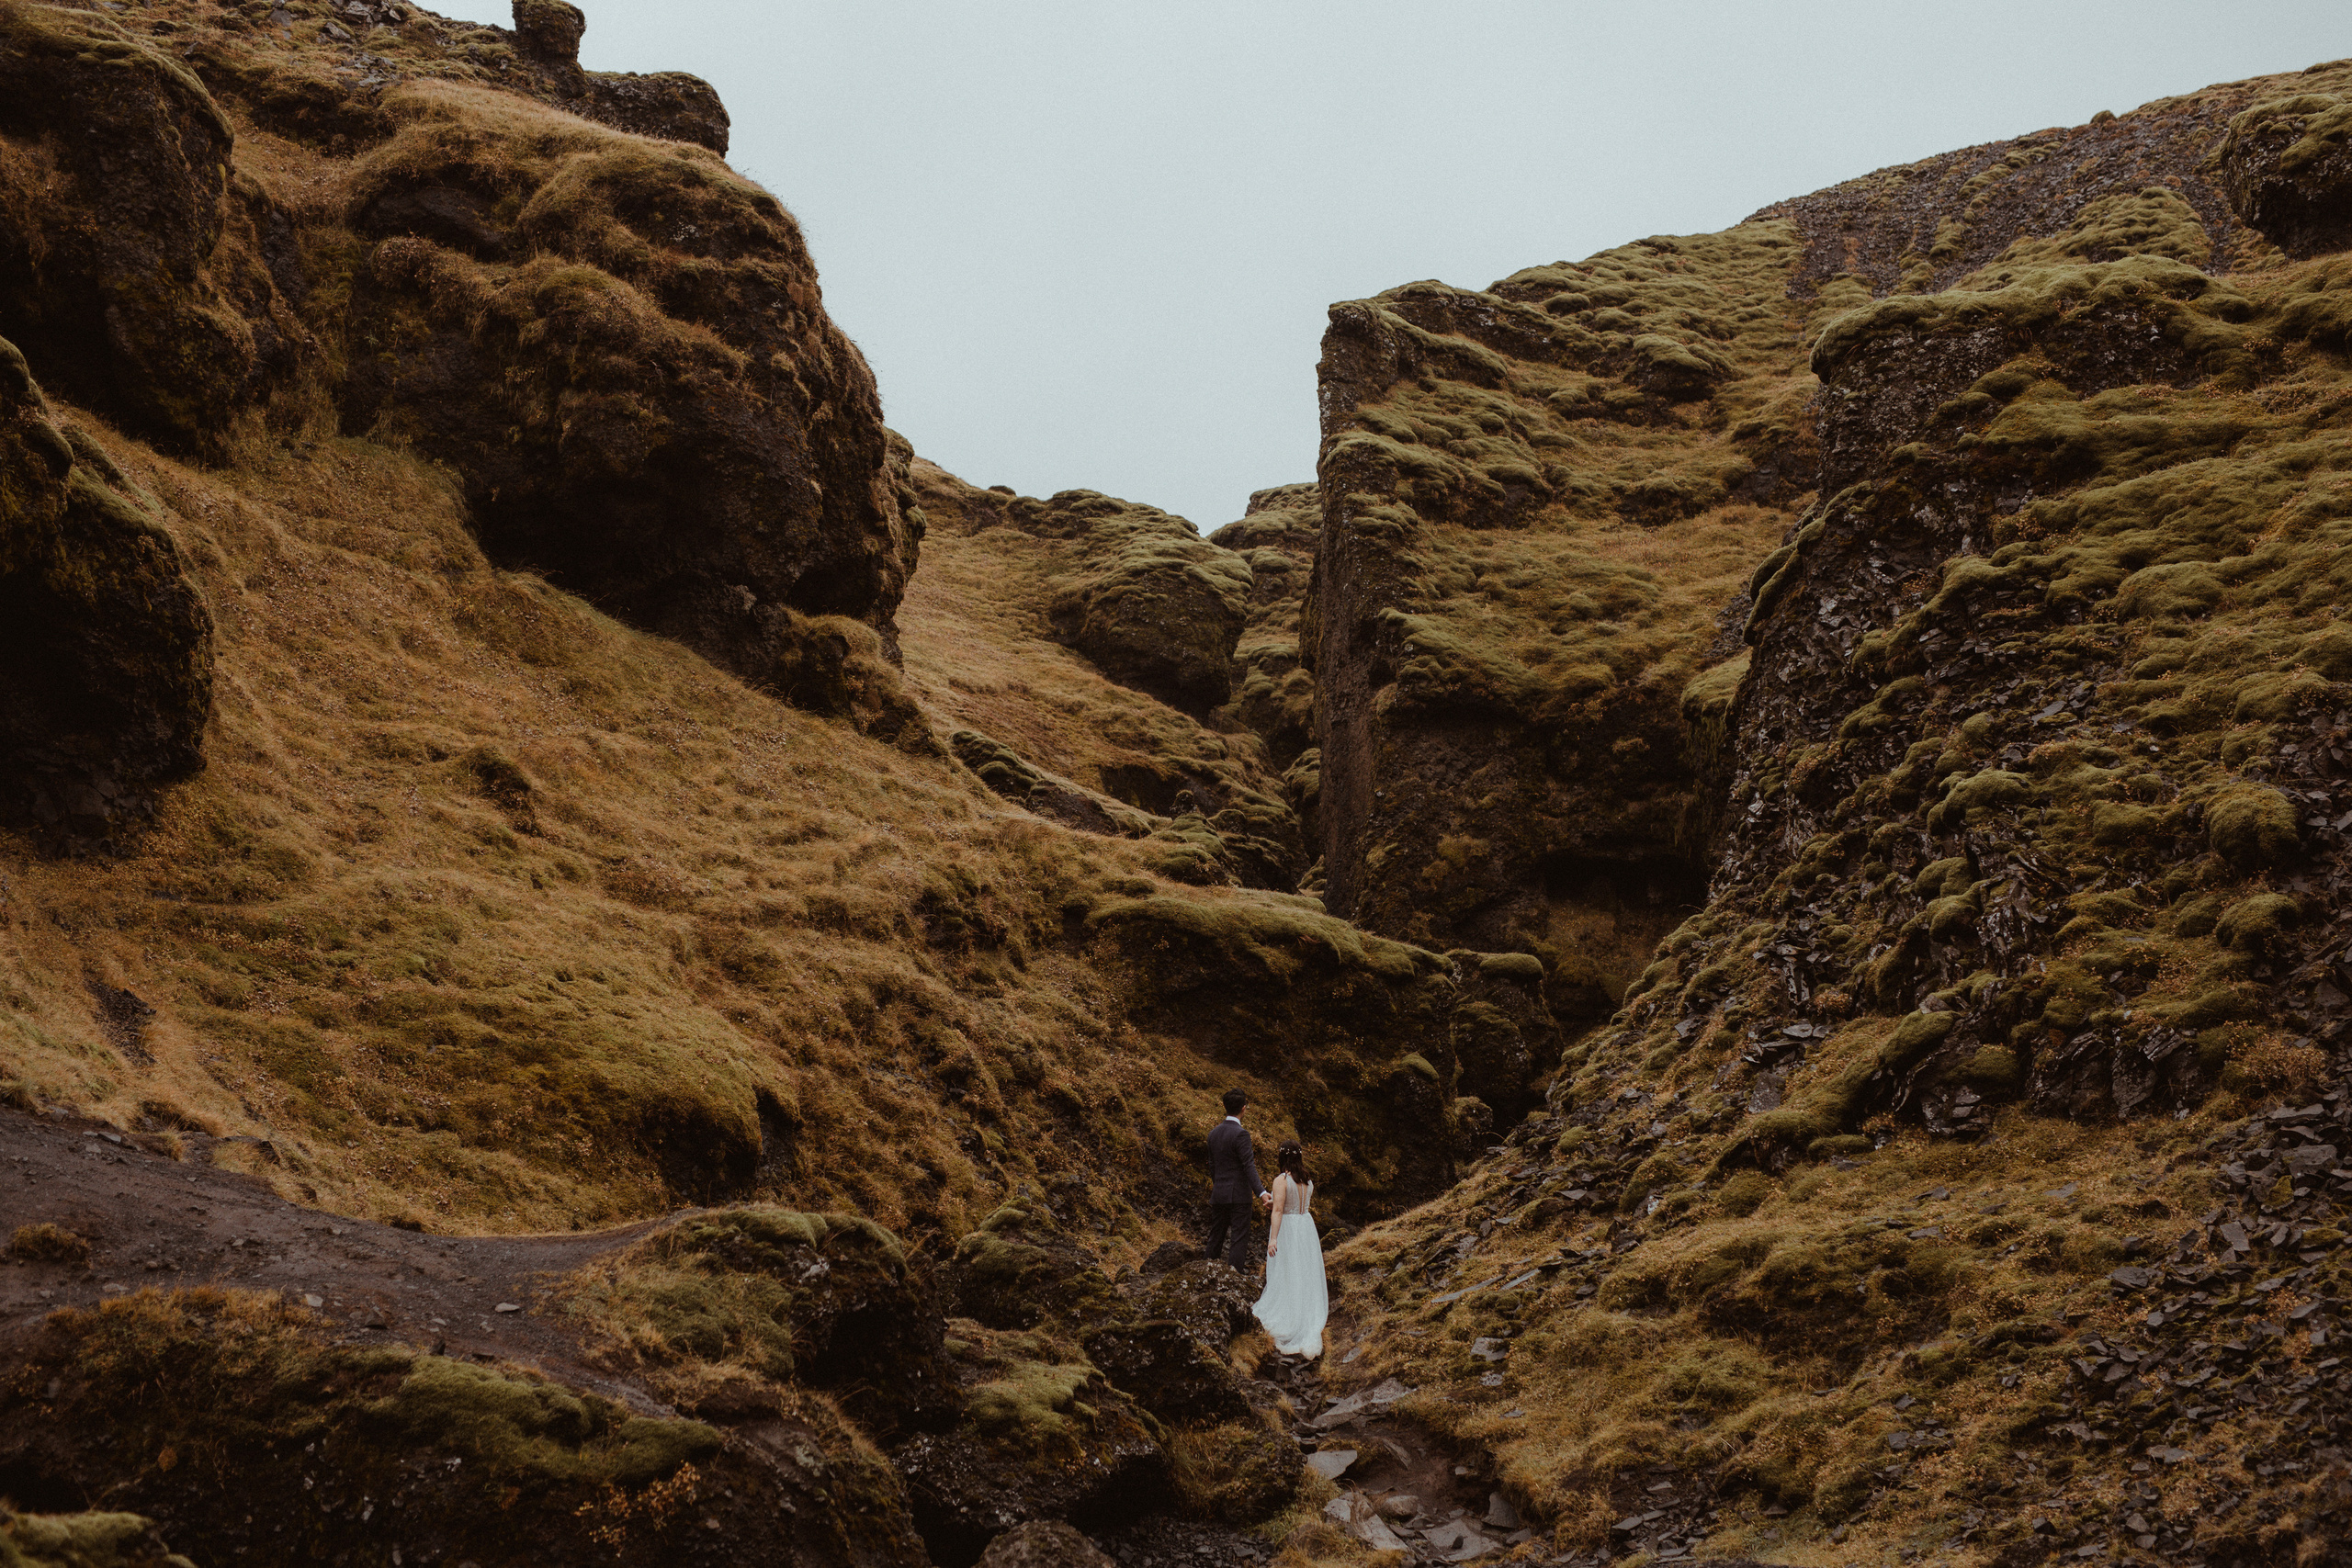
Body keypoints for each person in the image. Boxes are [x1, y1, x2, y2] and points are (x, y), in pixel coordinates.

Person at [1252, 1139, 1327, 1358]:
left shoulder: (1281, 1180)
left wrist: (1273, 1238)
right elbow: (1294, 1204)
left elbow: (1279, 1212)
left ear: (1282, 1157)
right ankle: (1305, 1309)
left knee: (1287, 1269)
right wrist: (1275, 1203)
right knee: (1304, 1269)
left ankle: (1289, 1313)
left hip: (1289, 1229)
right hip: (1305, 1226)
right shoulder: (1307, 1180)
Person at [1205, 1088, 1272, 1269]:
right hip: (1239, 1196)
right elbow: (1248, 1165)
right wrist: (1261, 1192)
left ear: (1225, 1107)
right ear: (1243, 1108)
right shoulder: (1241, 1134)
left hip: (1219, 1192)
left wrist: (1219, 1184)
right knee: (1239, 1237)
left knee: (1216, 1235)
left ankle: (1205, 1271)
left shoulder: (1213, 1133)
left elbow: (1213, 1167)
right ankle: (1234, 1277)